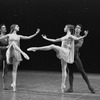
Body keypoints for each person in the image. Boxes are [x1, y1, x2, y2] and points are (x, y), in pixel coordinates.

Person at [27, 25, 88, 92]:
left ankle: (36, 48)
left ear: (68, 29)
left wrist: (84, 35)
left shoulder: (70, 36)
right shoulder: (65, 36)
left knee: (52, 46)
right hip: (64, 52)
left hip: (65, 52)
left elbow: (78, 39)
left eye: (65, 27)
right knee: (63, 69)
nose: (64, 28)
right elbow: (55, 40)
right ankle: (63, 85)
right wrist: (46, 38)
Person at [0, 24, 40, 91]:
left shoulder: (19, 36)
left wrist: (36, 33)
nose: (19, 27)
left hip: (16, 52)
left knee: (14, 69)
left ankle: (14, 83)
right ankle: (23, 53)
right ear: (13, 28)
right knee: (13, 44)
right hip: (9, 51)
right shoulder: (9, 35)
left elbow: (28, 37)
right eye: (17, 26)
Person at [66, 25, 95, 93]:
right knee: (70, 72)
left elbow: (79, 45)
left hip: (75, 56)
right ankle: (71, 88)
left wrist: (71, 45)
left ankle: (89, 86)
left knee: (82, 71)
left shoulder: (80, 37)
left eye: (79, 28)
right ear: (75, 29)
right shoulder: (71, 35)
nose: (77, 29)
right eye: (76, 27)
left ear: (80, 30)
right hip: (69, 56)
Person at [0, 24, 9, 90]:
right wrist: (5, 47)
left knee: (5, 70)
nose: (5, 28)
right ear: (0, 29)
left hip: (7, 55)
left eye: (5, 27)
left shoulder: (8, 37)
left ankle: (4, 85)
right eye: (3, 28)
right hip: (0, 54)